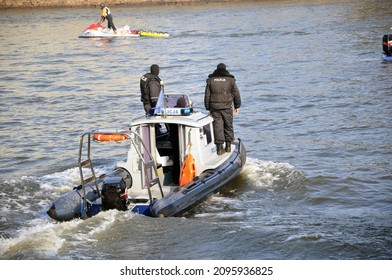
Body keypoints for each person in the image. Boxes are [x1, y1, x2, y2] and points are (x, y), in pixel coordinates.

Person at [204, 63, 241, 155]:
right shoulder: (230, 80)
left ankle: (219, 148)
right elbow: (236, 94)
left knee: (217, 126)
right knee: (228, 125)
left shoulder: (211, 80)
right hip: (227, 106)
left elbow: (207, 95)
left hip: (215, 107)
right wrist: (237, 106)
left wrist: (208, 107)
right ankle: (228, 146)